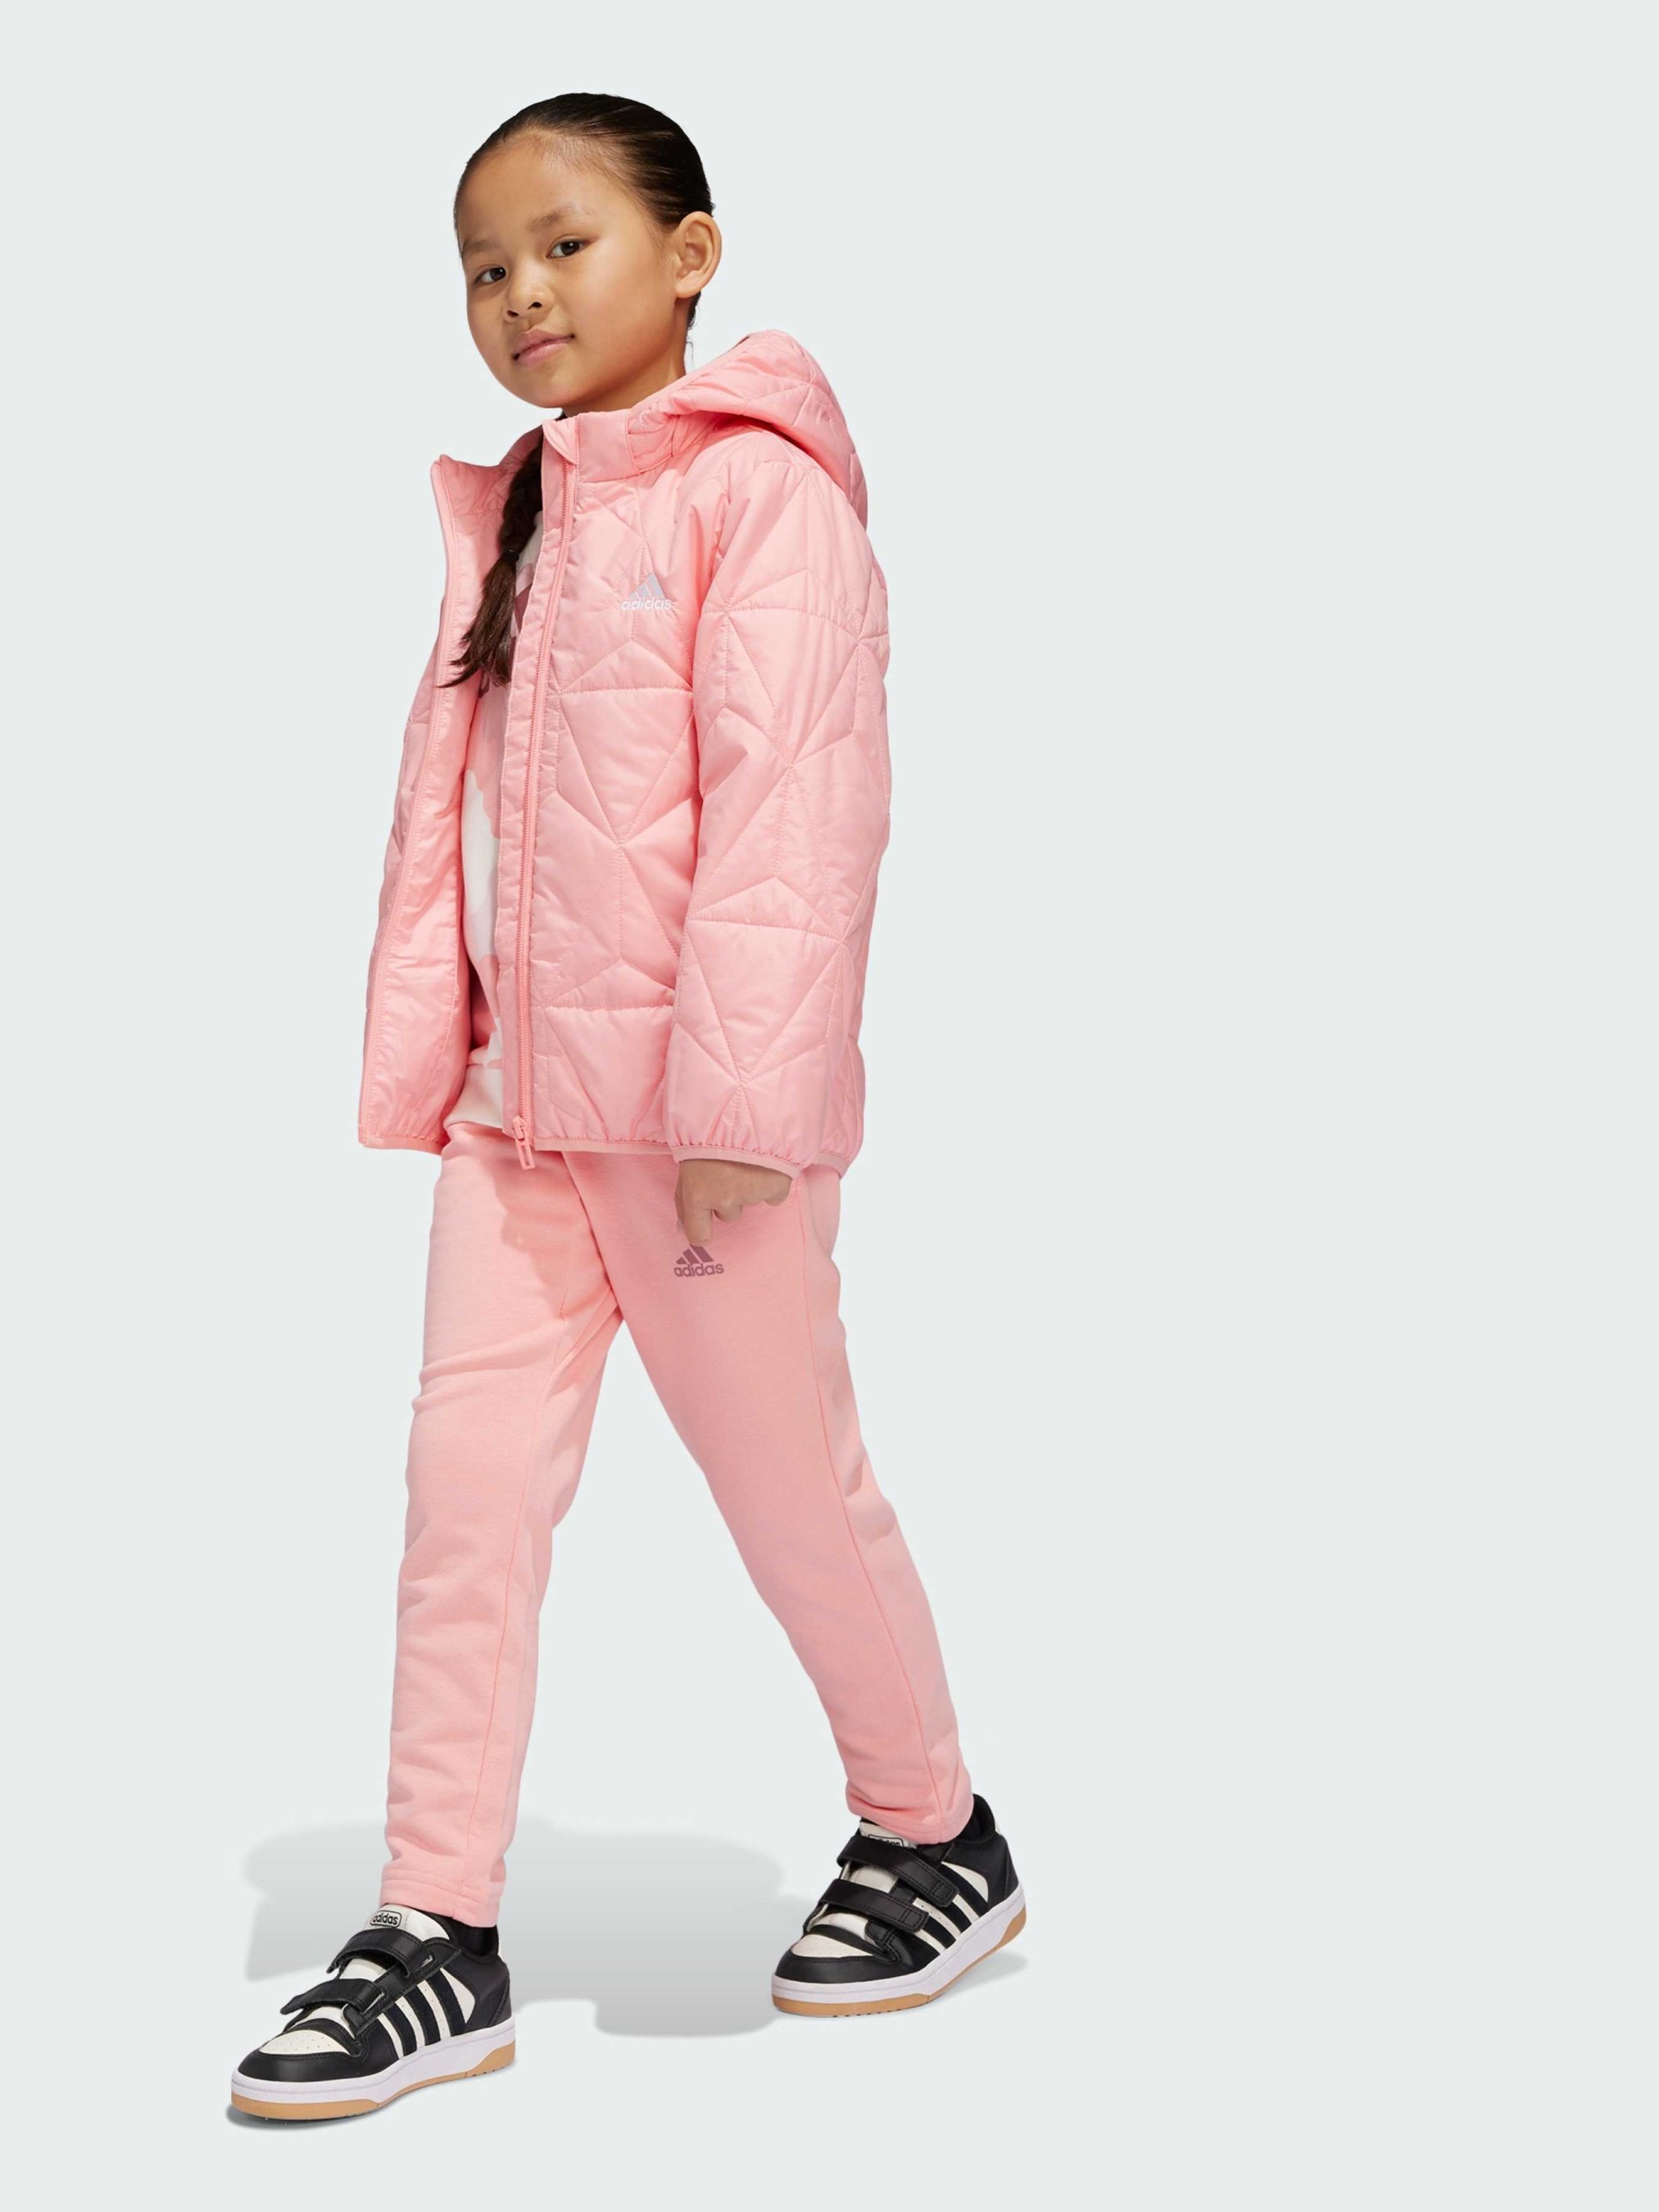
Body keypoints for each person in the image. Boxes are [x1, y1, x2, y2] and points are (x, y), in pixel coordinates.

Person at [230, 92, 1022, 2123]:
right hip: (516, 1120)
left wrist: (746, 1098)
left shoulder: (760, 497)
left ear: (689, 255)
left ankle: (933, 1831)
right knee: (464, 1501)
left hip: (694, 1138)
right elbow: (464, 820)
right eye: (482, 268)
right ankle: (433, 1925)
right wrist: (445, 1051)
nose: (519, 293)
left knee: (787, 1492)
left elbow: (795, 810)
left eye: (561, 246)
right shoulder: (518, 510)